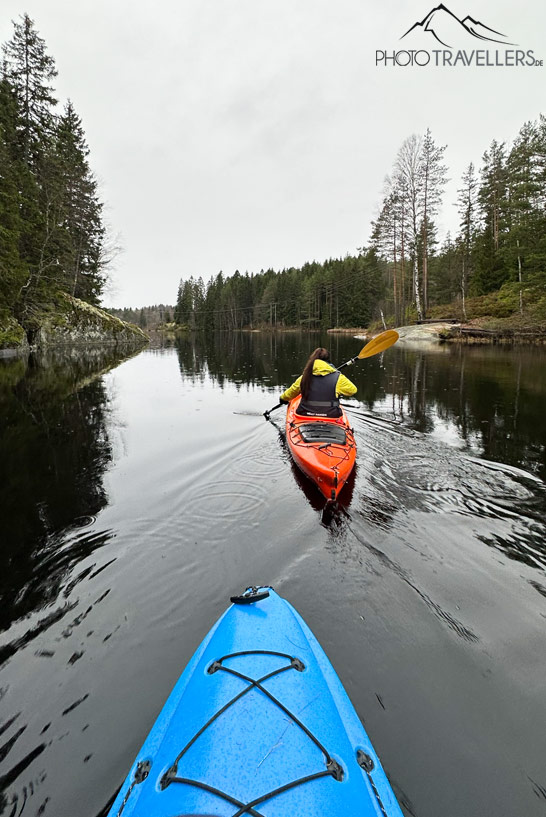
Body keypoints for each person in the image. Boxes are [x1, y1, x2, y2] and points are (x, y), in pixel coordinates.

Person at [279, 348, 357, 418]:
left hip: (305, 414)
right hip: (331, 415)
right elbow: (353, 390)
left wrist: (283, 399)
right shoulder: (338, 378)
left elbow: (291, 392)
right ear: (328, 361)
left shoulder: (304, 377)